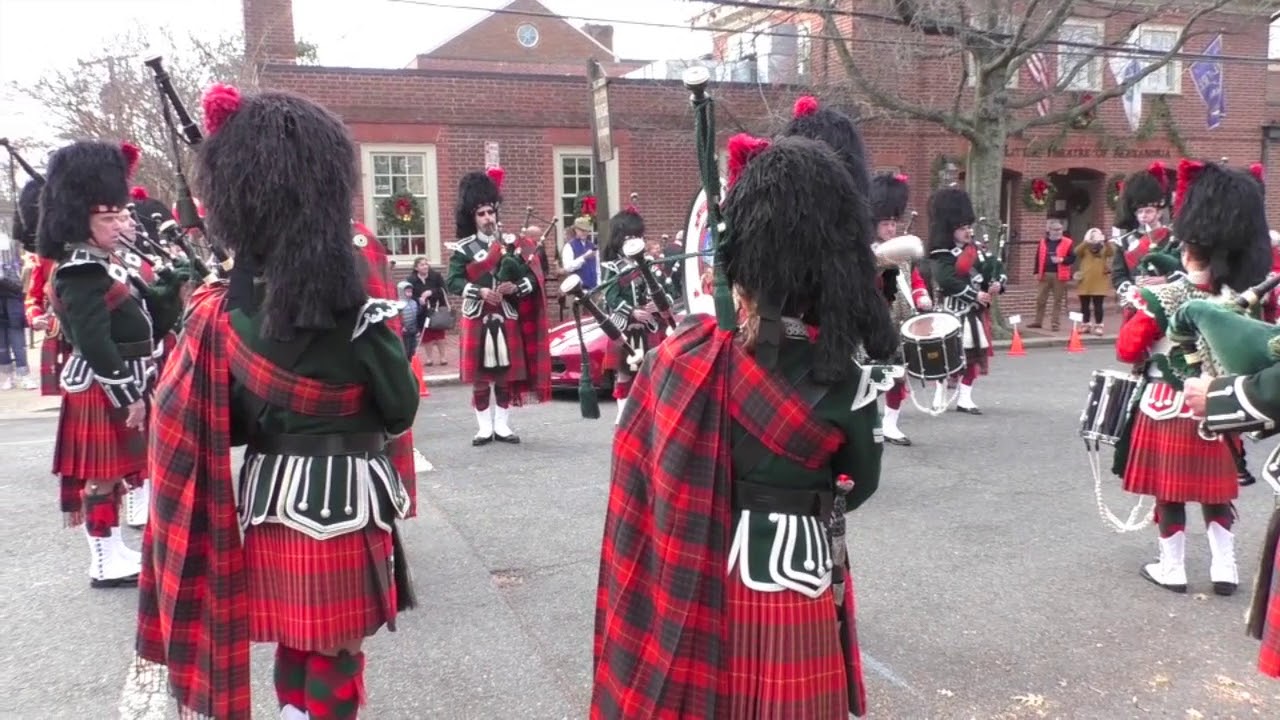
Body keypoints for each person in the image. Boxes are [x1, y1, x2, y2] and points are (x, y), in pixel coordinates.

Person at [135, 83, 419, 720]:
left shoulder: (223, 314)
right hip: (348, 492)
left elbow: (229, 425)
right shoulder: (359, 312)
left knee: (296, 642)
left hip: (269, 494)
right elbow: (400, 408)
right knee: (337, 654)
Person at [592, 133, 898, 719]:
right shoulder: (847, 383)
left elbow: (645, 475)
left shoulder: (684, 359)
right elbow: (859, 487)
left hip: (704, 564)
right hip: (793, 574)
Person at [1114, 159, 1271, 597]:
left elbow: (1128, 348)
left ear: (1186, 248)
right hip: (1223, 403)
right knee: (1216, 492)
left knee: (1171, 492)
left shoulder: (1165, 294)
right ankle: (1225, 568)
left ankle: (1173, 568)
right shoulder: (1243, 299)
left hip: (1169, 400)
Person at [37, 140, 186, 589]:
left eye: (123, 216)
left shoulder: (110, 263)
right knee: (102, 477)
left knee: (121, 472)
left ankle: (116, 546)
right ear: (81, 222)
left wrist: (165, 295)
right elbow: (95, 342)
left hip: (129, 376)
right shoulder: (79, 271)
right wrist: (128, 396)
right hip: (105, 384)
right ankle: (103, 559)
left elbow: (143, 327)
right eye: (110, 218)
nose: (122, 224)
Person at [446, 167, 546, 446]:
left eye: (491, 212)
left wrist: (517, 287)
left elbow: (533, 276)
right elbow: (452, 281)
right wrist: (480, 291)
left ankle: (502, 426)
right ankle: (483, 428)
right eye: (481, 214)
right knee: (480, 379)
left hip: (506, 314)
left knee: (504, 376)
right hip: (478, 315)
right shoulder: (463, 249)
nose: (488, 218)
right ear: (472, 217)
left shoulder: (512, 244)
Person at [927, 186, 1004, 414]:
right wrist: (974, 294)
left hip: (973, 314)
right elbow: (946, 280)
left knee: (973, 358)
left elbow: (993, 270)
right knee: (947, 358)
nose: (967, 231)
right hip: (951, 312)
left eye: (968, 227)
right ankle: (940, 394)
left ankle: (965, 397)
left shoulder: (977, 250)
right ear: (950, 230)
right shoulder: (941, 253)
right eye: (962, 228)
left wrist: (997, 283)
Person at [600, 204, 676, 423]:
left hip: (650, 325)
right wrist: (633, 312)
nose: (632, 241)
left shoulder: (650, 265)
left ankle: (649, 412)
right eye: (627, 236)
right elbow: (610, 297)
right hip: (624, 326)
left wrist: (658, 304)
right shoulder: (613, 268)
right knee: (624, 371)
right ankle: (623, 414)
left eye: (636, 236)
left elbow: (670, 291)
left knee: (651, 370)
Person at [871, 172, 930, 445]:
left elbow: (913, 278)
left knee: (898, 377)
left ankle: (891, 424)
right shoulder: (866, 253)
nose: (891, 229)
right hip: (874, 323)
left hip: (901, 323)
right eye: (886, 223)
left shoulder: (902, 250)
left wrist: (921, 296)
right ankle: (868, 422)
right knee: (871, 376)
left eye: (894, 222)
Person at [1112, 162, 1175, 315]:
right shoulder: (1125, 241)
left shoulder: (1172, 238)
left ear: (1159, 213)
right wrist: (1131, 288)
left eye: (1148, 211)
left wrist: (1165, 279)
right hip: (1137, 302)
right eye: (1140, 212)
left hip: (1167, 301)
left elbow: (1184, 270)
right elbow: (1118, 275)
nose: (1144, 216)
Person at [1029, 217, 1075, 331]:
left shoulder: (1068, 242)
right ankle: (1038, 321)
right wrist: (1036, 271)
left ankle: (1055, 323)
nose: (1058, 232)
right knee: (1040, 299)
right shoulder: (1043, 242)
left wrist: (1061, 260)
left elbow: (1072, 258)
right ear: (1049, 230)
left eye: (1060, 229)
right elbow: (1037, 257)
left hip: (1059, 274)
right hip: (1044, 273)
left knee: (1057, 300)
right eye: (1055, 230)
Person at [407, 256, 449, 366]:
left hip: (436, 308)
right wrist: (418, 299)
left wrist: (431, 292)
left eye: (426, 264)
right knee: (427, 335)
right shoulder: (411, 280)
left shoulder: (436, 276)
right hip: (422, 311)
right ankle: (429, 358)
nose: (425, 266)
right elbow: (409, 295)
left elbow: (444, 290)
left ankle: (443, 357)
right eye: (422, 265)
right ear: (416, 268)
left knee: (439, 334)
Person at [1075, 228, 1116, 336]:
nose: (1095, 238)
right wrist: (1086, 242)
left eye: (1097, 235)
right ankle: (1085, 324)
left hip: (1099, 280)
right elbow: (1076, 252)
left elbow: (1112, 252)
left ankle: (1099, 326)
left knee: (1098, 305)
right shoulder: (1085, 248)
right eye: (1093, 235)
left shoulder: (1103, 248)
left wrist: (1106, 241)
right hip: (1085, 280)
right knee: (1084, 305)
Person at [561, 210, 599, 290]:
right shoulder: (569, 246)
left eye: (586, 230)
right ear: (576, 230)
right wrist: (583, 258)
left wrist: (599, 285)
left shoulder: (592, 246)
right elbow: (568, 267)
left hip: (593, 288)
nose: (584, 233)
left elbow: (597, 268)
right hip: (576, 290)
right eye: (582, 230)